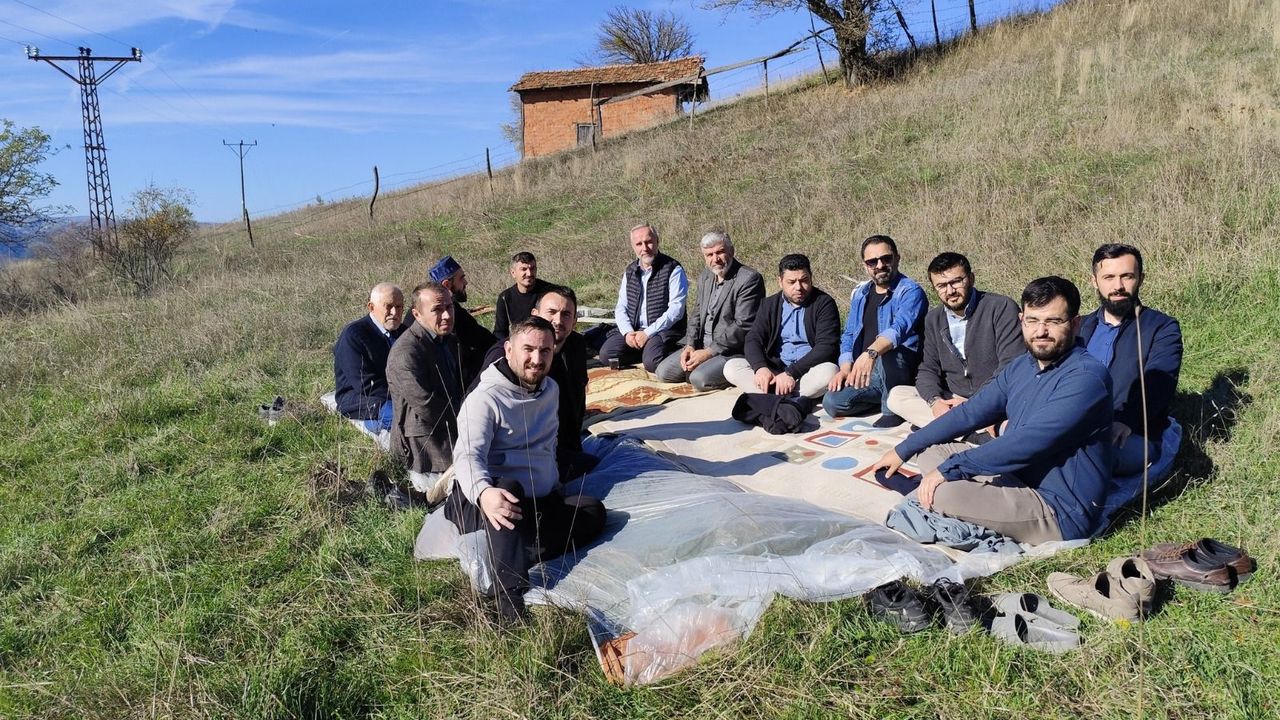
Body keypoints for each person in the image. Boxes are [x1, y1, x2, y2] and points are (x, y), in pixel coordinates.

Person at [871, 277, 1114, 545]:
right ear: (1021, 320)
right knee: (930, 449)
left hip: (1057, 508)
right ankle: (940, 490)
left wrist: (950, 470)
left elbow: (1028, 442)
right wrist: (903, 450)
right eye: (1032, 320)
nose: (1041, 331)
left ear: (1075, 323)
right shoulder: (1022, 366)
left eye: (1053, 321)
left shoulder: (1086, 377)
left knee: (945, 492)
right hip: (1014, 476)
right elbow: (970, 413)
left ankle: (925, 493)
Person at [444, 316, 607, 622]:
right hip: (484, 502)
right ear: (509, 350)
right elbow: (467, 456)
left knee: (593, 512)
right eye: (528, 349)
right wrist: (484, 493)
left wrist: (554, 483)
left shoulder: (550, 390)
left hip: (535, 502)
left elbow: (548, 446)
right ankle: (509, 599)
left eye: (545, 351)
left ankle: (518, 549)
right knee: (509, 490)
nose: (536, 359)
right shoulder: (485, 399)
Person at [886, 252, 1023, 431]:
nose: (950, 291)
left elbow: (1010, 366)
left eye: (956, 282)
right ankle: (973, 431)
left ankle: (948, 427)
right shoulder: (933, 319)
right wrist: (935, 402)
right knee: (897, 396)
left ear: (971, 279)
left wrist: (974, 404)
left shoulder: (1001, 307)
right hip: (954, 398)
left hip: (994, 397)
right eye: (942, 286)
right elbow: (928, 368)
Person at [469, 285, 596, 480]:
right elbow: (475, 407)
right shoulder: (508, 356)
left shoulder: (576, 346)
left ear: (574, 321)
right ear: (535, 314)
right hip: (518, 453)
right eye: (551, 312)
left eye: (566, 314)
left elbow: (577, 398)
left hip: (561, 441)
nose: (558, 321)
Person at [1079, 243, 1182, 479]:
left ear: (1141, 279)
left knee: (1085, 457)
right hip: (1075, 426)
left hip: (1131, 434)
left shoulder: (1161, 328)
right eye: (1109, 277)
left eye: (1127, 276)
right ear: (1094, 281)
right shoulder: (1080, 327)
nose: (1118, 286)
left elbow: (1160, 383)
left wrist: (1127, 420)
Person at [823, 235, 928, 426]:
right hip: (869, 372)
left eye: (886, 258)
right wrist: (846, 368)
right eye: (872, 262)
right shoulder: (861, 294)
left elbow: (898, 329)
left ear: (897, 258)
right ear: (865, 266)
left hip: (898, 367)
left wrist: (870, 353)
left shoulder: (910, 291)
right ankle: (885, 398)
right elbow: (849, 333)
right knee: (832, 402)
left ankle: (892, 408)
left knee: (890, 351)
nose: (880, 265)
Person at [654, 231, 765, 390]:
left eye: (720, 252)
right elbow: (697, 314)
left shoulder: (749, 279)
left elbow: (743, 325)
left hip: (731, 350)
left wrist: (709, 352)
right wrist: (690, 345)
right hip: (701, 344)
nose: (715, 259)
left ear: (731, 251)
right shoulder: (706, 276)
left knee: (698, 379)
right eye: (709, 255)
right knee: (664, 373)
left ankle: (728, 372)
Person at [723, 253, 840, 399]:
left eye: (804, 280)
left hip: (806, 372)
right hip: (775, 371)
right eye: (791, 282)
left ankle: (771, 396)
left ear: (811, 278)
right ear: (780, 281)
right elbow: (753, 339)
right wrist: (761, 368)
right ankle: (784, 395)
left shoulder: (824, 303)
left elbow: (826, 347)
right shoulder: (769, 304)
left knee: (830, 371)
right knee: (732, 367)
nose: (799, 287)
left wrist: (791, 373)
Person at [387, 282, 464, 498]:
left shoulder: (447, 340)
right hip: (426, 447)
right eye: (437, 310)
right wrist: (470, 420)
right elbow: (427, 406)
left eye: (449, 307)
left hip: (452, 429)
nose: (447, 315)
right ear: (417, 314)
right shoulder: (406, 352)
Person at [598, 224, 689, 373]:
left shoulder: (673, 269)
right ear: (633, 246)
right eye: (639, 244)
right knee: (607, 355)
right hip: (635, 329)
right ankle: (646, 350)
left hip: (662, 330)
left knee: (652, 363)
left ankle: (658, 352)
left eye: (649, 242)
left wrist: (647, 333)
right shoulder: (630, 271)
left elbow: (676, 310)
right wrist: (628, 333)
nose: (645, 248)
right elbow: (621, 307)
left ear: (657, 241)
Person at [333, 282, 407, 434]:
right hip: (361, 397)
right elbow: (365, 384)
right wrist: (405, 396)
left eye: (399, 307)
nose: (394, 312)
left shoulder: (403, 331)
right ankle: (374, 422)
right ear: (371, 307)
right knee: (407, 417)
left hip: (398, 393)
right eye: (388, 306)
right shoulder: (354, 335)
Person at [429, 255, 498, 388]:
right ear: (447, 285)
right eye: (461, 278)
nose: (465, 282)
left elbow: (482, 337)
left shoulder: (456, 310)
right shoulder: (430, 316)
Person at [493, 251, 553, 340]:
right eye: (523, 269)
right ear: (513, 273)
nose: (529, 273)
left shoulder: (549, 292)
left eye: (532, 268)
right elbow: (500, 332)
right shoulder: (505, 298)